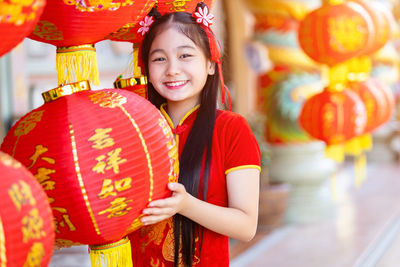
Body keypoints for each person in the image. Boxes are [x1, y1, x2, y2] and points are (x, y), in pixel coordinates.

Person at [128, 3, 261, 266]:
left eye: (185, 55)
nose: (172, 69)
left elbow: (246, 227)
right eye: (159, 58)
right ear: (146, 68)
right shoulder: (134, 129)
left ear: (211, 64)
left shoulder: (231, 129)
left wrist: (186, 205)